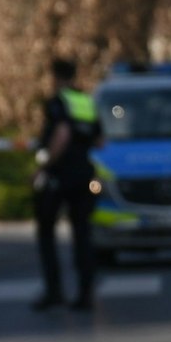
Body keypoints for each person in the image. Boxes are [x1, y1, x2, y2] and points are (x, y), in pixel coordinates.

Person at [33, 58, 103, 311]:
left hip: (60, 176)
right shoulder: (86, 101)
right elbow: (100, 140)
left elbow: (62, 134)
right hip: (84, 173)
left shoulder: (57, 102)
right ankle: (86, 294)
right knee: (83, 234)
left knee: (46, 233)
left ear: (56, 77)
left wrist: (44, 165)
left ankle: (54, 291)